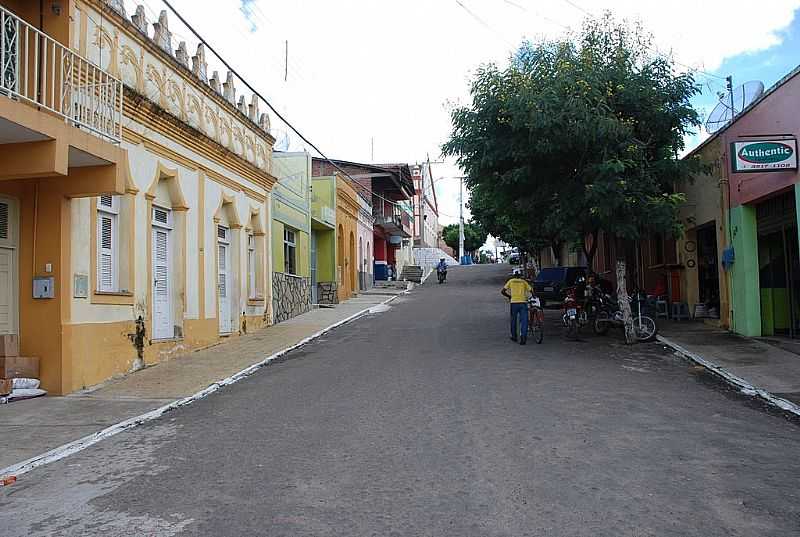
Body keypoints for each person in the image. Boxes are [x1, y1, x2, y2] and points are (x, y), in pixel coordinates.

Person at [502, 268, 533, 345]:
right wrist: (534, 296)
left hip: (514, 303)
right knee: (524, 321)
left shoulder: (511, 281)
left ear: (514, 275)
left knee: (513, 320)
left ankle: (514, 336)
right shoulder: (524, 282)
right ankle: (523, 338)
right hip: (523, 303)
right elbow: (531, 290)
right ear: (520, 275)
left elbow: (502, 291)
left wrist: (509, 296)